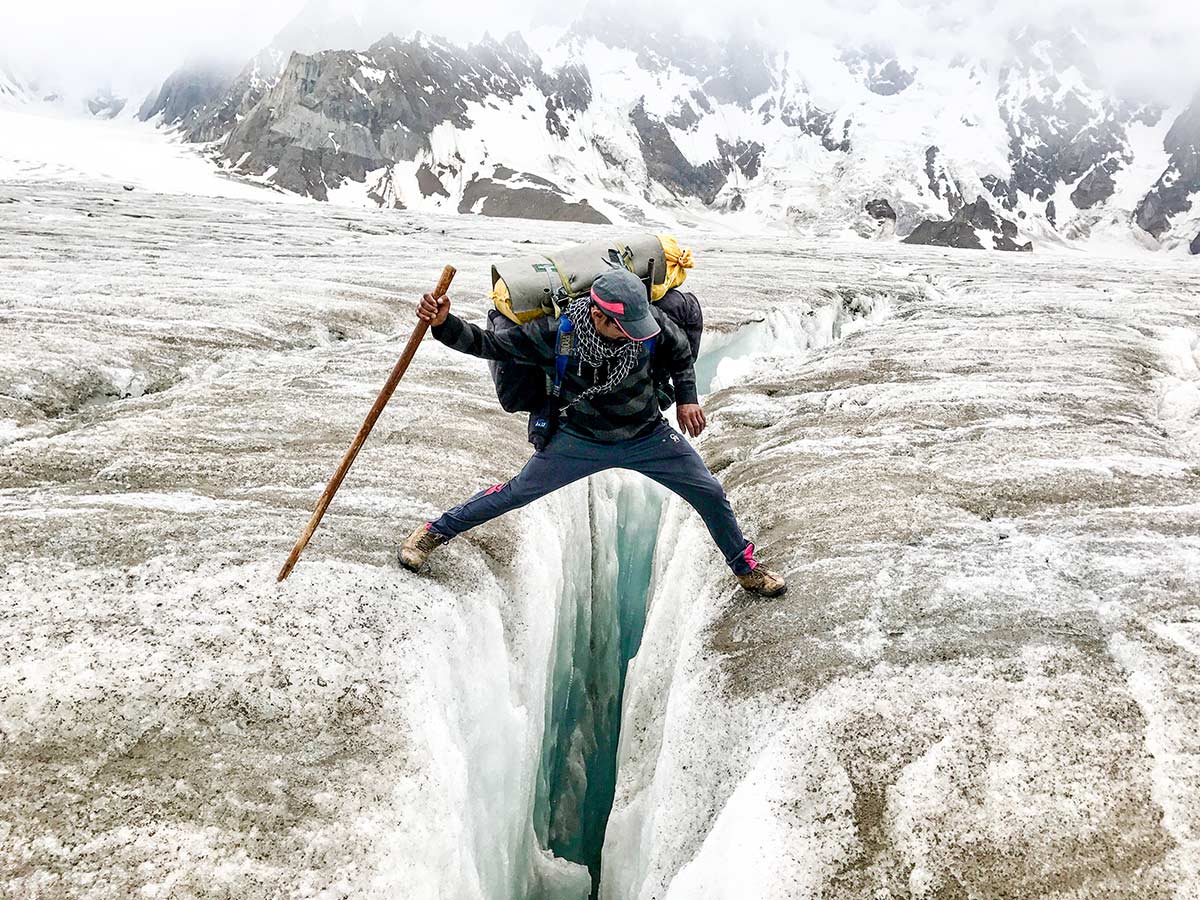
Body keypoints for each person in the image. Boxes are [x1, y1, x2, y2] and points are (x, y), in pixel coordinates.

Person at [399, 267, 787, 597]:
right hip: (578, 440)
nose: (638, 334)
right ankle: (434, 532)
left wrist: (688, 397)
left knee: (709, 492)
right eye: (626, 328)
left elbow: (680, 350)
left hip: (646, 435)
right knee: (516, 493)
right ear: (599, 316)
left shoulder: (650, 323)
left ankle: (745, 568)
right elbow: (490, 345)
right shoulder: (557, 333)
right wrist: (443, 323)